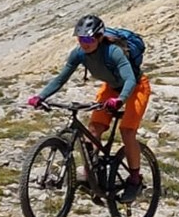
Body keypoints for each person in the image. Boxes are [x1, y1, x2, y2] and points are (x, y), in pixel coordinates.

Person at [27, 14, 151, 202]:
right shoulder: (78, 54)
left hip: (135, 88)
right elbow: (61, 78)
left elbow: (130, 79)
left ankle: (135, 179)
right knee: (93, 129)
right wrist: (41, 96)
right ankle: (92, 174)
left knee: (127, 131)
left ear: (99, 38)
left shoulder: (113, 52)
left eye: (88, 39)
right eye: (80, 38)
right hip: (110, 88)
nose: (84, 43)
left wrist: (120, 100)